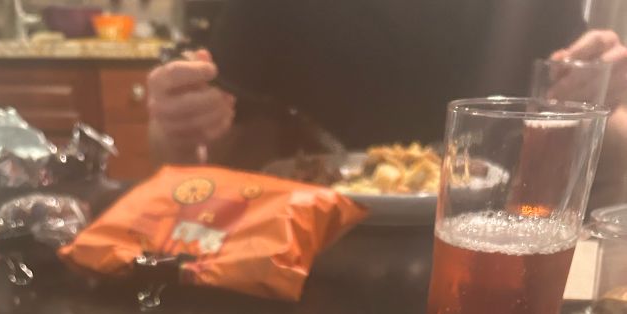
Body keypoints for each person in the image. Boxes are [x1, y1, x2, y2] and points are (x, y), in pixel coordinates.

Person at [147, 2, 627, 201]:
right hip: (302, 262)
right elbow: (197, 161)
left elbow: (606, 149)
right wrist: (176, 129)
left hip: (494, 260)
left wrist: (603, 99)